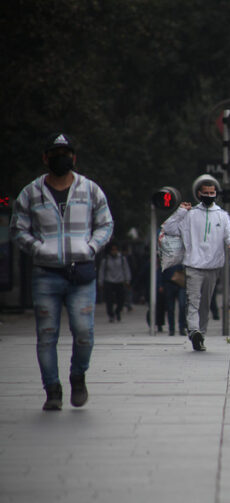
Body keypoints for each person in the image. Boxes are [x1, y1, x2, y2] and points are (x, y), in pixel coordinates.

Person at [10, 133, 114, 410]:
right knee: (46, 334)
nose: (61, 158)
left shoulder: (90, 190)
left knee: (84, 333)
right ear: (45, 158)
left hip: (81, 272)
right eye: (55, 153)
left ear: (74, 158)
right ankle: (52, 389)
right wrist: (38, 248)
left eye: (65, 153)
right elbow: (18, 229)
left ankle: (77, 377)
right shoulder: (31, 193)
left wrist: (91, 247)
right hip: (46, 273)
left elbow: (106, 224)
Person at [161, 179, 230, 351]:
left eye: (212, 193)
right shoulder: (189, 215)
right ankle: (194, 330)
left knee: (205, 304)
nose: (209, 196)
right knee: (193, 302)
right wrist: (180, 211)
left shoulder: (222, 215)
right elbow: (168, 228)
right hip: (193, 266)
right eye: (206, 193)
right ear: (199, 194)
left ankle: (200, 335)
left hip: (213, 268)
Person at [98, 242, 131, 323]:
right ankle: (111, 315)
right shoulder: (105, 260)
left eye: (116, 249)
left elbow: (126, 270)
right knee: (109, 300)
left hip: (119, 282)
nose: (114, 251)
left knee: (121, 300)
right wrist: (100, 282)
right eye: (112, 250)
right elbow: (101, 272)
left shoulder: (122, 259)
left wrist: (127, 280)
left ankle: (118, 311)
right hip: (109, 282)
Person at [162, 263, 187, 336]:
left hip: (181, 283)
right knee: (170, 308)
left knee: (182, 306)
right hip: (169, 283)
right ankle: (171, 329)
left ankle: (181, 328)